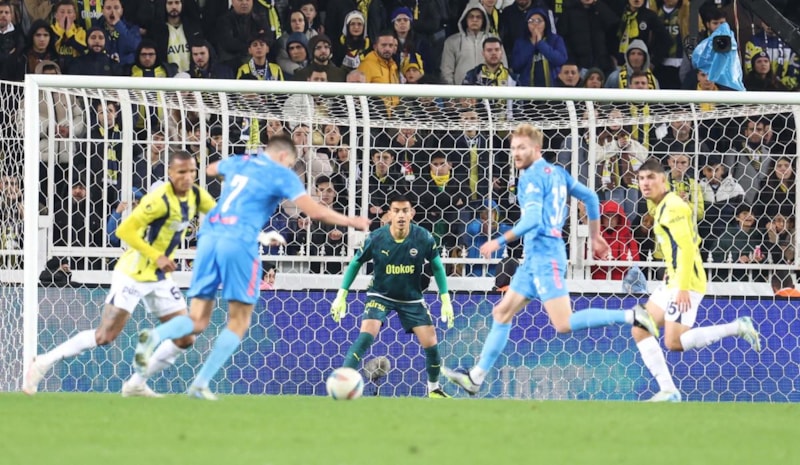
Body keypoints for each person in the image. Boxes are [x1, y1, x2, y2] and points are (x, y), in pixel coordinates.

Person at [133, 135, 370, 400]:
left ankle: (155, 335)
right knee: (239, 320)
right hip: (238, 241)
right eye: (290, 164)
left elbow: (211, 168)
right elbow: (316, 212)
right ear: (283, 156)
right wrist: (352, 221)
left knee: (197, 319)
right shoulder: (281, 173)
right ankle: (200, 384)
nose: (290, 169)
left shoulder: (240, 161)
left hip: (209, 237)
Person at [442, 123, 658, 396]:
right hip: (534, 257)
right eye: (513, 148)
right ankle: (476, 377)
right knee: (502, 312)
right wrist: (595, 236)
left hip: (545, 255)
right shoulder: (558, 173)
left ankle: (633, 315)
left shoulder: (531, 178)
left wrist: (498, 241)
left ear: (537, 148)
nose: (516, 153)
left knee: (563, 323)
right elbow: (591, 197)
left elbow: (533, 218)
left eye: (522, 148)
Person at [23, 150, 216, 397]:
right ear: (169, 172)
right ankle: (43, 362)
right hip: (133, 272)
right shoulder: (157, 200)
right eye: (181, 172)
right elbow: (124, 231)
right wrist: (156, 256)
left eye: (192, 172)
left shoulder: (197, 195)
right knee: (105, 335)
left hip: (158, 278)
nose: (187, 177)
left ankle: (136, 384)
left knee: (185, 337)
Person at [630, 158, 761, 402]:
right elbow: (680, 244)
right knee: (641, 329)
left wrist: (681, 287)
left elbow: (688, 247)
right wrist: (671, 268)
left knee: (674, 342)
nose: (645, 183)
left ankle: (737, 327)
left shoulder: (673, 207)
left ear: (663, 180)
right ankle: (668, 391)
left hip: (687, 281)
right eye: (641, 178)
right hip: (675, 277)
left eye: (651, 178)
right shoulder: (661, 206)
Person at [330, 194, 455, 398]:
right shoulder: (376, 237)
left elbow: (437, 267)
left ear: (412, 213)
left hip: (411, 298)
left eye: (405, 210)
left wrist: (445, 300)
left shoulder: (423, 237)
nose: (401, 215)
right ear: (389, 214)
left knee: (431, 343)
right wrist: (341, 294)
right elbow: (355, 262)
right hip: (380, 295)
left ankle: (434, 389)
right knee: (366, 335)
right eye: (396, 211)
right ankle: (342, 382)